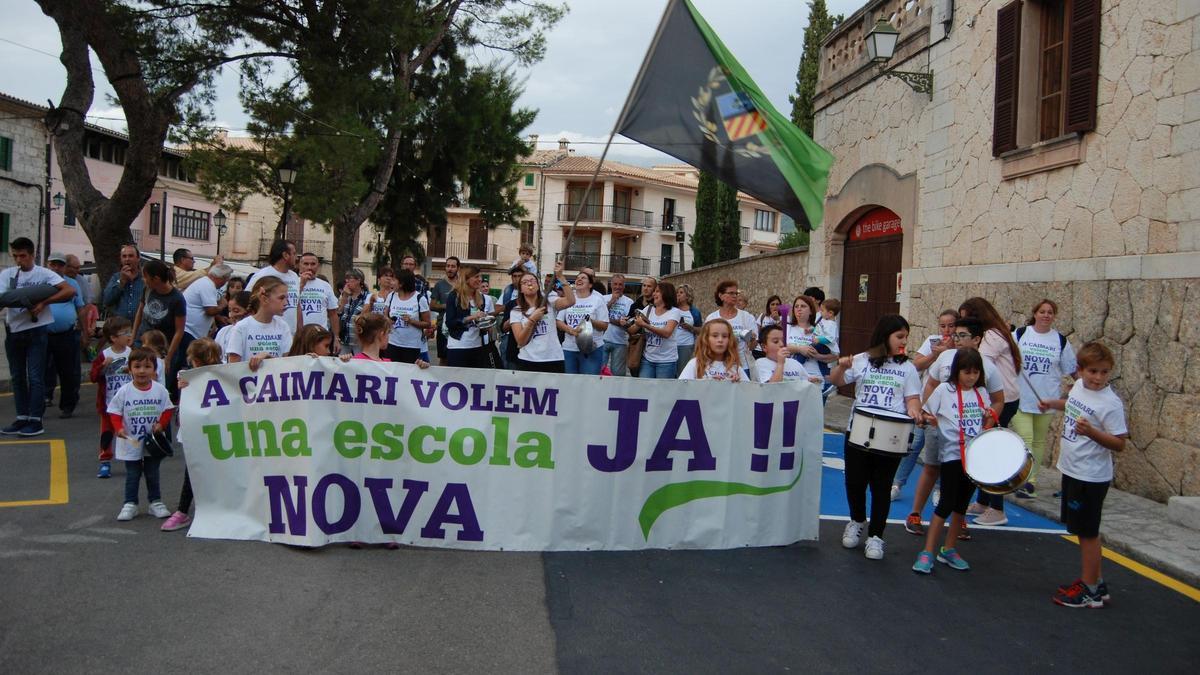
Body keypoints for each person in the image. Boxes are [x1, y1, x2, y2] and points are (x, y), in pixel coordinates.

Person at [1040, 342, 1127, 608]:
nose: (1098, 378)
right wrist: (1053, 403)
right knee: (1080, 529)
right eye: (1093, 371)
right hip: (1073, 469)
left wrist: (1092, 433)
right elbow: (1072, 405)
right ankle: (1096, 582)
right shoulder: (1079, 387)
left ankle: (1090, 589)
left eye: (1104, 372)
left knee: (1088, 533)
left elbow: (1119, 443)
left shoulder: (1110, 403)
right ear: (1080, 370)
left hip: (1091, 476)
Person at [829, 314, 922, 561]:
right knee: (855, 482)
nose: (904, 341)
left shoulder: (908, 368)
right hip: (858, 430)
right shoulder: (863, 360)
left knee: (881, 487)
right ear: (885, 336)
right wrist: (841, 366)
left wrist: (914, 410)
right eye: (899, 336)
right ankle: (857, 520)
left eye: (906, 337)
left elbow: (912, 399)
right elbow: (836, 381)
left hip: (892, 434)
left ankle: (876, 536)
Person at [904, 317, 1005, 537]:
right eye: (955, 335)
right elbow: (931, 384)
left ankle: (958, 520)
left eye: (962, 335)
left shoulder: (988, 366)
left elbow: (998, 399)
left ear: (977, 339)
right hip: (938, 425)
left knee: (965, 474)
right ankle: (915, 514)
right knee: (931, 468)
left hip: (969, 434)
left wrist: (987, 423)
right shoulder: (945, 357)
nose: (956, 339)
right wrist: (926, 412)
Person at [912, 347, 995, 574]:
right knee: (945, 503)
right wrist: (929, 419)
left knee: (961, 506)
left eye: (976, 372)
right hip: (951, 456)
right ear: (957, 371)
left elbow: (986, 418)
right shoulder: (943, 390)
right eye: (967, 372)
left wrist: (988, 419)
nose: (971, 377)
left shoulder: (981, 393)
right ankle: (928, 551)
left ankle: (948, 549)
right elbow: (925, 414)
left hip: (973, 457)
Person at [0, 237, 77, 436]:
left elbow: (69, 290)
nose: (19, 260)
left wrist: (43, 303)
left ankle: (35, 419)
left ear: (32, 255)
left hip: (36, 330)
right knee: (17, 377)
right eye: (15, 256)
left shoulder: (44, 274)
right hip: (14, 330)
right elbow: (3, 298)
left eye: (23, 256)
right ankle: (21, 417)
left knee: (35, 376)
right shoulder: (7, 274)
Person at [960, 297, 1022, 526]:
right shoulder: (995, 333)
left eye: (966, 318)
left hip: (1001, 400)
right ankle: (983, 501)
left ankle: (997, 508)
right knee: (984, 448)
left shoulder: (992, 337)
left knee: (991, 452)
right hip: (1000, 398)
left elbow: (978, 363)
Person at [1012, 299, 1077, 498]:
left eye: (1050, 312)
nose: (1046, 315)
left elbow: (1071, 369)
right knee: (1026, 439)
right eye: (1042, 311)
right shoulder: (1021, 335)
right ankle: (1022, 478)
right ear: (1035, 313)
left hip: (1047, 398)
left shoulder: (1060, 341)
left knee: (1039, 441)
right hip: (1021, 397)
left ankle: (1030, 481)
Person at [892, 309, 957, 503]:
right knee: (912, 446)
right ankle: (897, 484)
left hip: (949, 409)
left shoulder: (960, 347)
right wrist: (935, 356)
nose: (946, 330)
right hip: (927, 403)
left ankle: (939, 489)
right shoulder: (932, 341)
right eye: (943, 325)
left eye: (951, 325)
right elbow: (917, 364)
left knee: (943, 451)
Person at [161, 337, 223, 532]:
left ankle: (184, 511)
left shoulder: (225, 374)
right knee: (194, 471)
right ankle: (183, 510)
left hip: (214, 431)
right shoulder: (187, 377)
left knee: (195, 471)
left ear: (194, 360)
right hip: (199, 432)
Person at [109, 346, 175, 521]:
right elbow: (114, 411)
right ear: (130, 368)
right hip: (131, 441)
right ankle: (130, 503)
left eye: (147, 367)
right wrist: (118, 428)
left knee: (153, 472)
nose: (142, 371)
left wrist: (161, 424)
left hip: (152, 442)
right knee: (133, 474)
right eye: (137, 367)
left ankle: (156, 502)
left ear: (154, 370)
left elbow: (168, 409)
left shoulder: (160, 390)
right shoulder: (124, 391)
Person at [132, 259, 187, 398]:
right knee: (139, 381)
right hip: (143, 341)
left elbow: (179, 330)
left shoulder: (177, 299)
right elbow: (140, 311)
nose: (144, 280)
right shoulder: (148, 290)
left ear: (155, 278)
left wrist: (168, 357)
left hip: (163, 347)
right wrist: (133, 337)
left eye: (145, 277)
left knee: (160, 384)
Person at [90, 317, 134, 479]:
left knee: (129, 431)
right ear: (113, 338)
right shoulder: (104, 355)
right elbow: (93, 376)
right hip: (108, 402)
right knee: (107, 432)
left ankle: (133, 459)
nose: (129, 335)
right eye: (125, 333)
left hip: (129, 402)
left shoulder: (132, 353)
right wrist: (103, 366)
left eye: (129, 332)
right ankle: (105, 461)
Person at [510, 261, 574, 372]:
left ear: (538, 285)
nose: (530, 284)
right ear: (520, 289)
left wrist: (561, 277)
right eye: (525, 282)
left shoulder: (549, 301)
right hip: (528, 360)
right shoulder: (516, 311)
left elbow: (570, 301)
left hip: (553, 359)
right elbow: (520, 341)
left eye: (532, 281)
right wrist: (532, 320)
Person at [43, 252, 85, 419]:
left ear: (64, 267)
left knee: (68, 372)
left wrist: (85, 332)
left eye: (59, 265)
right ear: (47, 264)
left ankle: (68, 405)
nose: (55, 267)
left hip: (67, 334)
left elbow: (80, 308)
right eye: (52, 264)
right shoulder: (41, 283)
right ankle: (42, 400)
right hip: (43, 334)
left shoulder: (72, 284)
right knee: (42, 370)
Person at [226, 277, 294, 370]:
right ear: (264, 299)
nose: (286, 303)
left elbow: (289, 363)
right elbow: (232, 367)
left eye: (287, 298)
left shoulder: (283, 326)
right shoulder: (242, 327)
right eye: (281, 298)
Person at [556, 270, 608, 374]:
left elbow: (605, 325)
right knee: (569, 383)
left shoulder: (597, 300)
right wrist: (569, 330)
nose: (579, 279)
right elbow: (559, 321)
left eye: (583, 278)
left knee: (589, 384)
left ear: (590, 284)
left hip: (592, 349)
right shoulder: (569, 298)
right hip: (569, 348)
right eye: (578, 278)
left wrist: (590, 321)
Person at [705, 280, 757, 379]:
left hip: (742, 365)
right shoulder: (712, 318)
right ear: (721, 296)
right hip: (718, 366)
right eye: (731, 293)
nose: (735, 296)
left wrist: (752, 339)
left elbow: (752, 347)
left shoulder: (746, 317)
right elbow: (706, 343)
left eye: (736, 293)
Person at [247, 239, 300, 333]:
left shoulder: (294, 276)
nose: (297, 258)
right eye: (294, 253)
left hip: (290, 333)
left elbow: (297, 305)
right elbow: (247, 299)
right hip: (268, 333)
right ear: (285, 255)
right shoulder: (262, 275)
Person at [444, 264, 491, 368]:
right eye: (476, 277)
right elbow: (450, 323)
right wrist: (471, 317)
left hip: (477, 346)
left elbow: (479, 323)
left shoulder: (481, 297)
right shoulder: (454, 296)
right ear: (466, 279)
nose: (480, 280)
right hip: (458, 346)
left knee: (475, 382)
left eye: (480, 276)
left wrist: (485, 323)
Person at [631, 281, 681, 378]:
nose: (654, 294)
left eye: (657, 291)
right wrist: (625, 324)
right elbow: (633, 330)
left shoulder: (675, 312)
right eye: (654, 291)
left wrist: (645, 325)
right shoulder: (648, 309)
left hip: (666, 361)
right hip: (647, 359)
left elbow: (667, 333)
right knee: (644, 390)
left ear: (666, 294)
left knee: (662, 392)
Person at [383, 269, 432, 364]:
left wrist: (411, 321)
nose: (390, 282)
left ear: (401, 283)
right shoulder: (391, 296)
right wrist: (388, 320)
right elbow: (385, 314)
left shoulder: (420, 299)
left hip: (412, 346)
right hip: (392, 343)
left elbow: (427, 324)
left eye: (393, 280)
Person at [296, 252, 340, 350]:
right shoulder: (293, 283)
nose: (309, 267)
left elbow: (333, 314)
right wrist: (301, 285)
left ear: (318, 266)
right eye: (306, 264)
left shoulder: (325, 286)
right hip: (297, 336)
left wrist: (336, 338)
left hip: (320, 337)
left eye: (313, 264)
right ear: (299, 265)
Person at [785, 295, 834, 381]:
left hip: (816, 379)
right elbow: (780, 348)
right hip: (792, 378)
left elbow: (834, 356)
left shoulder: (821, 330)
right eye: (796, 306)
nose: (799, 309)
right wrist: (800, 349)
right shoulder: (787, 328)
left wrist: (817, 356)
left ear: (811, 311)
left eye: (803, 306)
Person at [182, 263, 231, 349]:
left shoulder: (205, 283)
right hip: (189, 331)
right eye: (226, 280)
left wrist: (219, 317)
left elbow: (206, 306)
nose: (224, 283)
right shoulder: (207, 285)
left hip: (191, 331)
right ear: (222, 278)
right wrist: (223, 305)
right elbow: (210, 310)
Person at [678, 319, 742, 381]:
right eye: (715, 336)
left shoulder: (735, 366)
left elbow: (748, 390)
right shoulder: (695, 364)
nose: (720, 340)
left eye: (724, 336)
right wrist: (708, 384)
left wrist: (738, 384)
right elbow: (682, 388)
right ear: (705, 339)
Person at [102, 244, 145, 322]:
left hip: (140, 326)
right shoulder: (116, 277)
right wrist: (121, 281)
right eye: (124, 256)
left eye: (130, 256)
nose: (127, 259)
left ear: (138, 258)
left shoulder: (145, 278)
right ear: (121, 259)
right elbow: (107, 300)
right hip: (120, 326)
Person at [602, 274, 634, 376]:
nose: (617, 287)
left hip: (620, 342)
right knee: (599, 372)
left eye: (620, 284)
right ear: (611, 285)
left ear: (624, 286)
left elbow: (627, 322)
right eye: (615, 284)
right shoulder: (603, 298)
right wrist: (611, 301)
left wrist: (610, 320)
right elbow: (600, 316)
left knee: (617, 374)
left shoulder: (629, 302)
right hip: (603, 340)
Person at [430, 256, 460, 366]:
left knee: (458, 357)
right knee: (443, 358)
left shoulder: (462, 284)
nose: (450, 269)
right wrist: (448, 306)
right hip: (443, 326)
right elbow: (432, 305)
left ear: (458, 268)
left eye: (453, 266)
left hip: (459, 326)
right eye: (448, 266)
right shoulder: (439, 285)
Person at [627, 277, 656, 376]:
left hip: (653, 345)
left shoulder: (657, 305)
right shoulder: (634, 305)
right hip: (637, 343)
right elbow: (629, 326)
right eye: (644, 285)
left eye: (649, 286)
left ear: (654, 289)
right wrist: (625, 323)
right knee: (634, 371)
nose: (646, 288)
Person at [337, 269, 370, 355]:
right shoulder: (344, 296)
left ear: (359, 280)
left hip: (358, 340)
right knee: (342, 364)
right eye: (346, 279)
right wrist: (344, 296)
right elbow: (339, 312)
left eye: (350, 278)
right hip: (344, 339)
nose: (347, 281)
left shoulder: (367, 297)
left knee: (359, 364)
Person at [674, 284, 702, 377]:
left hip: (685, 345)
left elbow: (700, 330)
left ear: (688, 296)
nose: (678, 294)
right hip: (671, 344)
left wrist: (690, 328)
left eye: (681, 293)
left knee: (681, 371)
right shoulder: (671, 308)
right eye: (677, 292)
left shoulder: (694, 312)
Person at [214, 291, 250, 360]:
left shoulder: (255, 333)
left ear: (250, 312)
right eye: (230, 310)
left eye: (236, 311)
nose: (231, 315)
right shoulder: (223, 331)